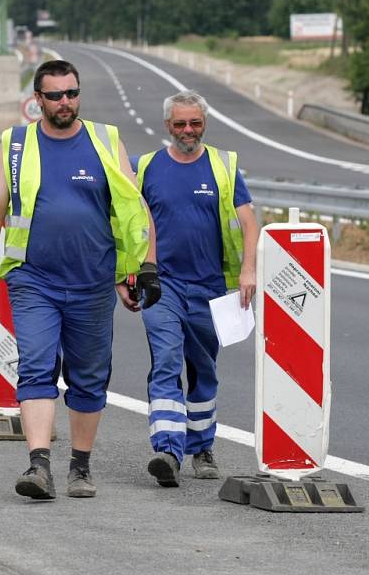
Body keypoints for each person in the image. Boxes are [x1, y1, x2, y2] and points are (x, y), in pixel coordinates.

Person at [0, 60, 159, 500]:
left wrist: (145, 266)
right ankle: (39, 465)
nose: (64, 102)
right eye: (54, 95)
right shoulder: (15, 145)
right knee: (36, 365)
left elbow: (135, 209)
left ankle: (80, 465)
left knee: (89, 378)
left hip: (93, 282)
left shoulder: (105, 140)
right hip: (33, 280)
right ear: (37, 100)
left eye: (71, 93)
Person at [124, 90, 258, 487]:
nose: (188, 130)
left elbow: (249, 223)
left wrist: (248, 270)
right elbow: (124, 224)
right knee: (165, 360)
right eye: (180, 123)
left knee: (203, 369)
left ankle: (202, 447)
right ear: (167, 125)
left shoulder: (224, 167)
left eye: (195, 123)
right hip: (159, 286)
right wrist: (124, 275)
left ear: (204, 123)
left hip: (210, 289)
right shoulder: (144, 168)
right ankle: (167, 449)